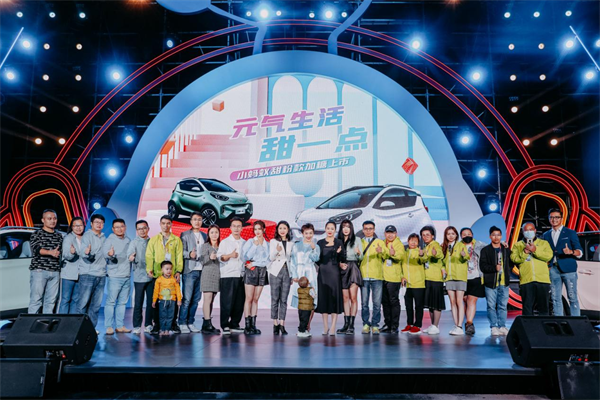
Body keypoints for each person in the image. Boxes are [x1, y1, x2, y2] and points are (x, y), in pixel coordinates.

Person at [146, 215, 183, 334]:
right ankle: (157, 324)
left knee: (173, 299)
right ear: (160, 224)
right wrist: (149, 268)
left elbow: (179, 256)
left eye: (168, 223)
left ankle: (173, 324)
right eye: (163, 223)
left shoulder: (176, 239)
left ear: (171, 224)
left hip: (172, 275)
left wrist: (178, 271)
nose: (165, 226)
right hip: (158, 274)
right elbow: (149, 255)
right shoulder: (154, 239)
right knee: (157, 300)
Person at [543, 208, 583, 316]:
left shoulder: (570, 232)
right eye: (551, 217)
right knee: (555, 298)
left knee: (572, 297)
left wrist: (571, 252)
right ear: (549, 219)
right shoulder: (546, 235)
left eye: (557, 217)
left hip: (568, 269)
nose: (554, 219)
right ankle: (559, 322)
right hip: (553, 269)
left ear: (561, 218)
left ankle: (576, 322)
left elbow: (580, 252)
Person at [511, 222, 553, 316]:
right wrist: (525, 253)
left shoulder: (544, 243)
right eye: (526, 230)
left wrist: (535, 250)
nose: (528, 232)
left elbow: (549, 256)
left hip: (542, 280)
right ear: (522, 232)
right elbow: (514, 259)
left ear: (535, 230)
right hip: (526, 280)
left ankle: (543, 325)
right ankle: (528, 325)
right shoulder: (518, 245)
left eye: (531, 230)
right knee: (527, 308)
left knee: (544, 308)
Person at [28, 209, 63, 314]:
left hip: (55, 271)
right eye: (49, 218)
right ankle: (31, 323)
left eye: (54, 218)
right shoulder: (37, 234)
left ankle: (46, 322)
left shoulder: (59, 236)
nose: (52, 221)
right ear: (43, 220)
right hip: (40, 270)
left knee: (50, 302)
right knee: (36, 300)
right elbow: (36, 249)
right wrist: (50, 252)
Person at [480, 226, 513, 336]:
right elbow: (483, 266)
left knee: (503, 306)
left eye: (498, 235)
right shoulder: (485, 250)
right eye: (494, 235)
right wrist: (494, 268)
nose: (496, 237)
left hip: (504, 282)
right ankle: (493, 326)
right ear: (490, 236)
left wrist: (507, 271)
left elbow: (511, 262)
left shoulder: (505, 249)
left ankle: (502, 326)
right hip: (491, 283)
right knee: (491, 306)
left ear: (501, 236)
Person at [179, 212, 207, 333]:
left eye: (199, 219)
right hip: (190, 270)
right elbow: (180, 251)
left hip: (202, 270)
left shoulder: (204, 235)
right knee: (187, 299)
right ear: (191, 221)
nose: (197, 222)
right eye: (195, 219)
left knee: (196, 299)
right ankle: (182, 323)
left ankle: (190, 322)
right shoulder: (185, 235)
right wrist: (189, 254)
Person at [77, 214, 107, 329]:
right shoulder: (87, 236)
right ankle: (79, 329)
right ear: (91, 224)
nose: (99, 224)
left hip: (101, 274)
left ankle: (91, 329)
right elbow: (84, 254)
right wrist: (87, 253)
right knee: (83, 304)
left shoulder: (104, 237)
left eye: (101, 223)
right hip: (88, 274)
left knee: (96, 305)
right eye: (96, 222)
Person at [217, 217, 246, 335]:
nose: (236, 228)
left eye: (239, 226)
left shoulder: (245, 242)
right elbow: (220, 257)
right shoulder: (225, 242)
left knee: (239, 302)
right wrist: (230, 255)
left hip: (241, 275)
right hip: (228, 275)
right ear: (230, 228)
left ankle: (235, 324)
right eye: (234, 226)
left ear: (242, 228)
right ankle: (225, 325)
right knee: (226, 301)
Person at [103, 219, 132, 335]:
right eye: (117, 227)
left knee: (122, 303)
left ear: (125, 227)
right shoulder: (109, 240)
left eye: (122, 226)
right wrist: (110, 255)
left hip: (126, 275)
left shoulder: (128, 240)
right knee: (111, 302)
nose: (120, 229)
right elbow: (106, 254)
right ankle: (108, 326)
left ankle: (119, 326)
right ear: (113, 229)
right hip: (115, 276)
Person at [290, 223, 320, 333]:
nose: (308, 235)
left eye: (310, 233)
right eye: (306, 233)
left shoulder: (316, 246)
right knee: (301, 300)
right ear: (302, 234)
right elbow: (293, 261)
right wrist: (294, 275)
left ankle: (307, 325)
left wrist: (313, 249)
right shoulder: (296, 246)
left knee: (310, 300)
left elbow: (316, 259)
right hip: (299, 273)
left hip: (310, 274)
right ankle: (302, 325)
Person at [315, 221, 344, 336]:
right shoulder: (320, 242)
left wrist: (337, 254)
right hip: (323, 273)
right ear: (325, 229)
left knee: (334, 298)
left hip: (334, 273)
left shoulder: (339, 242)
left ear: (335, 230)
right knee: (324, 298)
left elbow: (343, 258)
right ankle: (325, 326)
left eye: (332, 228)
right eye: (328, 228)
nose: (330, 230)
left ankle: (333, 327)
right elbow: (317, 259)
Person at [359, 220, 388, 335]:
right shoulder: (359, 242)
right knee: (364, 303)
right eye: (366, 229)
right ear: (363, 230)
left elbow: (386, 256)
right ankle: (366, 324)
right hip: (364, 276)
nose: (368, 231)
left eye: (370, 229)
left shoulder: (379, 242)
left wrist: (382, 251)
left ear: (374, 230)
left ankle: (375, 324)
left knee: (377, 303)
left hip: (377, 276)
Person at [242, 220, 270, 335]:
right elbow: (245, 256)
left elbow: (267, 261)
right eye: (255, 229)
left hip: (262, 271)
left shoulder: (267, 244)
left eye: (259, 229)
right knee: (249, 298)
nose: (257, 231)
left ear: (264, 230)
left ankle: (253, 325)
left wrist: (255, 263)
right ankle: (247, 326)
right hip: (251, 270)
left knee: (256, 299)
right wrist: (254, 245)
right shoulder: (250, 241)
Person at [442, 226, 470, 336]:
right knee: (452, 302)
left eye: (453, 234)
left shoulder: (460, 245)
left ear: (456, 235)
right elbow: (442, 262)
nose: (450, 236)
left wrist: (464, 255)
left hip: (460, 276)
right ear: (446, 235)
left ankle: (460, 326)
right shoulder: (444, 247)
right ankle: (456, 324)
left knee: (459, 301)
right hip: (449, 277)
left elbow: (466, 257)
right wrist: (443, 269)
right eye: (448, 234)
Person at [336, 219, 363, 334]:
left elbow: (361, 257)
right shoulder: (338, 240)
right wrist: (339, 263)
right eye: (343, 227)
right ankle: (346, 324)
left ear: (351, 228)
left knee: (353, 297)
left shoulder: (357, 240)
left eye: (348, 226)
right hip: (343, 269)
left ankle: (352, 325)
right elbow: (334, 258)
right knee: (345, 298)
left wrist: (358, 253)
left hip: (353, 268)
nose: (346, 229)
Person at [268, 221, 294, 335]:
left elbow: (291, 260)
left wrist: (292, 275)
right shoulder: (273, 242)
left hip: (287, 271)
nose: (282, 230)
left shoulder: (291, 243)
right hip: (275, 271)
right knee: (275, 299)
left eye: (284, 228)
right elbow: (271, 257)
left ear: (288, 230)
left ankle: (282, 324)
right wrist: (277, 251)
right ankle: (275, 323)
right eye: (280, 228)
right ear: (277, 230)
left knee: (284, 299)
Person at [128, 220, 153, 334]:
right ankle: (137, 325)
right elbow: (129, 254)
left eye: (144, 228)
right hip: (139, 276)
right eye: (139, 229)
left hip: (151, 275)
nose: (142, 231)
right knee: (138, 302)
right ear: (136, 231)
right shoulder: (134, 242)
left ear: (148, 229)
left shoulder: (152, 241)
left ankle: (149, 324)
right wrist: (131, 257)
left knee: (151, 302)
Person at [460, 227, 487, 336]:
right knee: (465, 300)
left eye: (469, 234)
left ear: (472, 234)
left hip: (476, 277)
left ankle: (469, 323)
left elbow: (492, 248)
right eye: (464, 234)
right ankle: (467, 322)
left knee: (471, 300)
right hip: (462, 277)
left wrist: (502, 244)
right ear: (461, 236)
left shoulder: (480, 245)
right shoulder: (458, 246)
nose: (467, 236)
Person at [420, 225, 445, 335]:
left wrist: (435, 254)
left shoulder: (435, 245)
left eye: (428, 235)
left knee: (436, 304)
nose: (425, 237)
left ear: (433, 236)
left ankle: (436, 325)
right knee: (430, 304)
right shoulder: (426, 247)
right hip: (427, 278)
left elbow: (439, 254)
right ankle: (433, 325)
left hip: (436, 279)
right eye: (423, 235)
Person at [381, 225, 405, 334]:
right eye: (388, 233)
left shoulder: (398, 244)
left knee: (393, 301)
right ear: (385, 234)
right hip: (382, 277)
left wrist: (393, 253)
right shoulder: (382, 243)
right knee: (385, 302)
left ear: (396, 234)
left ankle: (394, 326)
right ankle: (388, 324)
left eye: (392, 233)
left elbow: (400, 256)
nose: (390, 235)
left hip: (394, 278)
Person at [401, 233, 426, 335]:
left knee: (418, 306)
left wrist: (421, 255)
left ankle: (417, 325)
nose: (413, 242)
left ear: (418, 243)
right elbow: (401, 266)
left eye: (415, 241)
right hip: (407, 284)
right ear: (408, 241)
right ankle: (409, 324)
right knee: (408, 306)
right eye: (411, 240)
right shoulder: (404, 253)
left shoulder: (420, 252)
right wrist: (402, 277)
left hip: (418, 283)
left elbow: (423, 260)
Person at [59, 217, 85, 314]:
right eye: (75, 226)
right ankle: (62, 321)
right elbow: (66, 255)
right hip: (69, 274)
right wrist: (72, 253)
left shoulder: (86, 238)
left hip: (81, 273)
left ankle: (71, 321)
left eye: (80, 225)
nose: (78, 228)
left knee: (76, 300)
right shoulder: (68, 238)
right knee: (65, 299)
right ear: (72, 227)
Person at [199, 224, 221, 334]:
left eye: (216, 232)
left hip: (217, 275)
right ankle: (207, 323)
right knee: (207, 299)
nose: (214, 234)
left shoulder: (221, 246)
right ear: (208, 234)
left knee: (211, 300)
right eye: (212, 232)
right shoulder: (205, 246)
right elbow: (202, 260)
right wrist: (209, 257)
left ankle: (207, 324)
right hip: (207, 274)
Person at [152, 261, 182, 336]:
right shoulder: (159, 280)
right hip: (162, 301)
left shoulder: (174, 280)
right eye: (167, 269)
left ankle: (167, 329)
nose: (169, 271)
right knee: (162, 315)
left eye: (170, 269)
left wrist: (179, 300)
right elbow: (156, 291)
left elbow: (178, 290)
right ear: (162, 270)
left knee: (170, 316)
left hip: (172, 301)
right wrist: (154, 301)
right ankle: (162, 329)